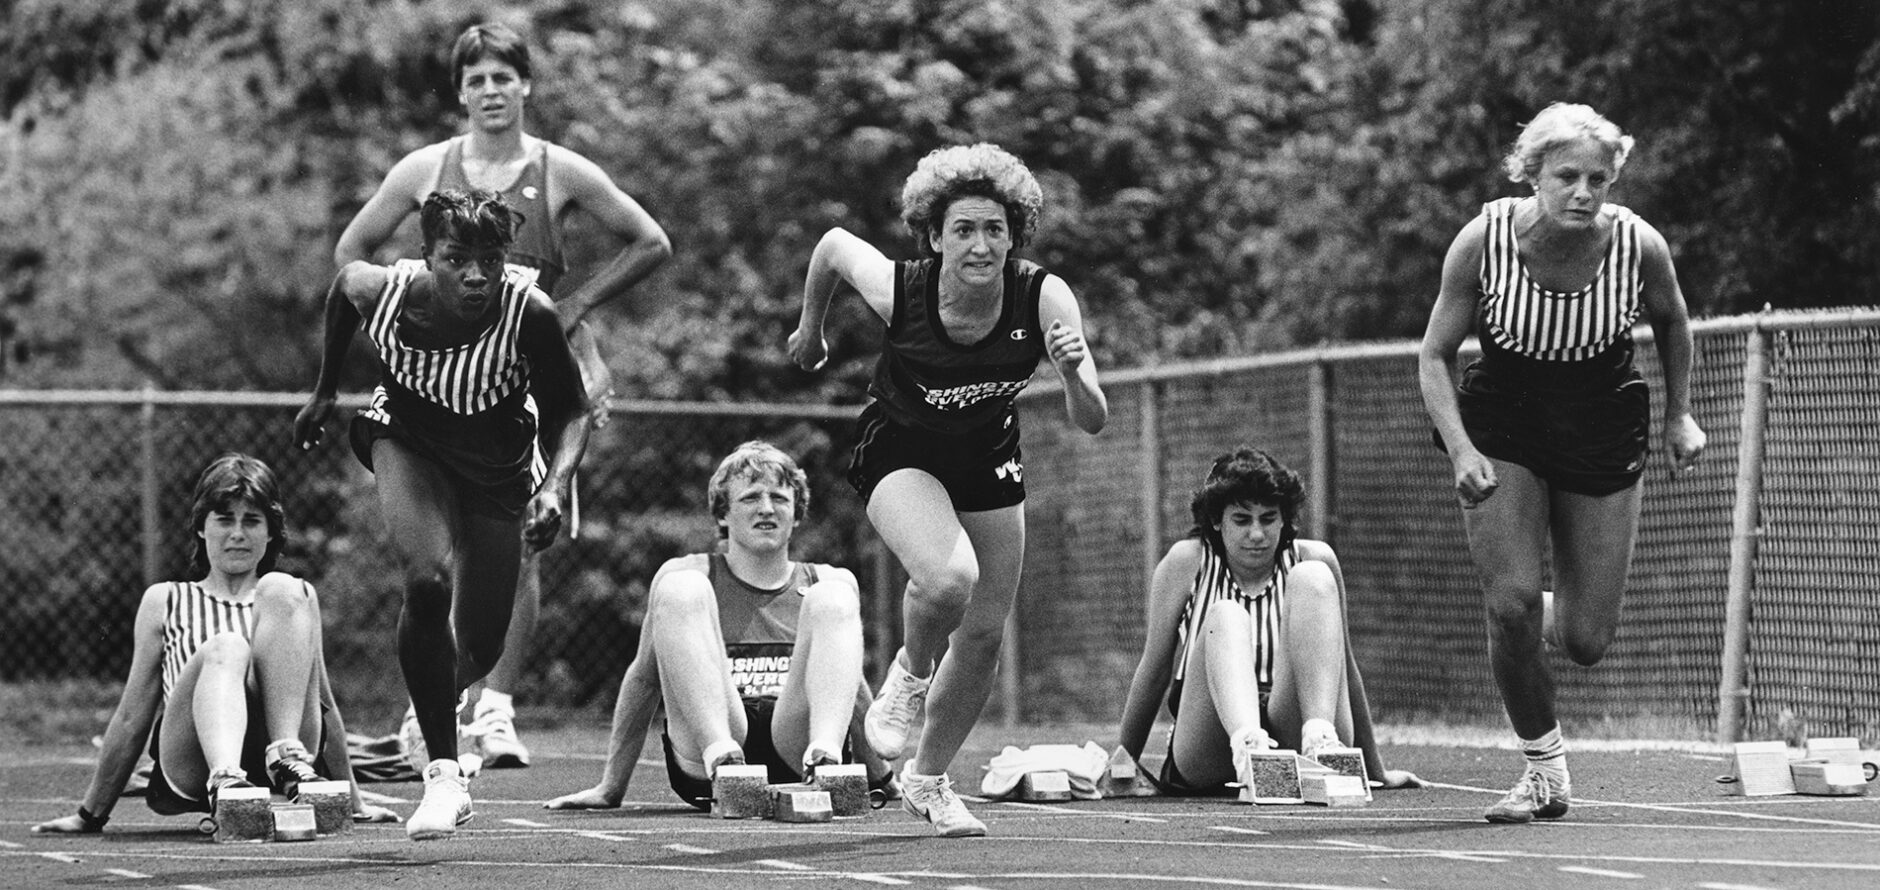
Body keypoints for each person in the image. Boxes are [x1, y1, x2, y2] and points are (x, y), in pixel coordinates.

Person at [334, 21, 672, 770]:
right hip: (441, 386)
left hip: (524, 379)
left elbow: (651, 240)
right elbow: (349, 255)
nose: (491, 90)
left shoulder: (559, 172)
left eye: (503, 77)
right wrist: (408, 299)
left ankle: (493, 706)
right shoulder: (426, 169)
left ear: (526, 86)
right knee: (434, 549)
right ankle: (439, 706)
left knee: (519, 540)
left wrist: (579, 315)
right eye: (476, 79)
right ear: (459, 92)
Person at [787, 143, 1109, 837]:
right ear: (934, 237)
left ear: (1013, 237)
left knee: (987, 630)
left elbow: (1093, 421)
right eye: (963, 229)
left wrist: (1077, 376)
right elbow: (835, 245)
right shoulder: (900, 288)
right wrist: (810, 328)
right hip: (900, 449)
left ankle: (928, 780)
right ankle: (908, 674)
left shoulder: (1043, 296)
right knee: (947, 580)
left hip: (986, 457)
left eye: (995, 229)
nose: (980, 244)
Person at [1417, 103, 1705, 823]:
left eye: (1598, 180)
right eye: (1567, 176)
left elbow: (1672, 320)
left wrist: (1679, 415)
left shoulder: (1639, 245)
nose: (1583, 192)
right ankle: (1543, 769)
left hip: (1600, 414)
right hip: (1505, 417)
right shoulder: (1483, 241)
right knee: (1511, 603)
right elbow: (1433, 355)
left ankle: (1533, 614)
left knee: (1585, 640)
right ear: (1533, 174)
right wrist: (1461, 448)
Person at [294, 189, 591, 840]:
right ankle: (444, 777)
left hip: (497, 461)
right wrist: (323, 391)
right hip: (409, 436)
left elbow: (571, 412)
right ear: (427, 256)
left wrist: (554, 488)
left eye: (489, 259)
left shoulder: (529, 313)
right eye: (457, 259)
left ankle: (432, 696)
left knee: (479, 648)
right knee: (427, 581)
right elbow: (344, 285)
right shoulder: (389, 293)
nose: (476, 275)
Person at [30, 453, 398, 836]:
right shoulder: (165, 600)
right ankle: (227, 781)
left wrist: (353, 803)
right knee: (228, 646)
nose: (237, 533)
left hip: (277, 745)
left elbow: (323, 703)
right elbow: (131, 715)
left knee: (286, 587)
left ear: (271, 532)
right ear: (201, 528)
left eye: (252, 521)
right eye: (224, 520)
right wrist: (90, 815)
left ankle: (286, 759)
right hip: (194, 759)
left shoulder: (292, 601)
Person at [542, 441, 896, 813]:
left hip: (797, 745)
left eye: (779, 498)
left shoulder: (825, 579)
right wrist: (610, 787)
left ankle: (827, 764)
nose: (766, 508)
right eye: (750, 498)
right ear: (723, 514)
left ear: (797, 513)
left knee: (835, 596)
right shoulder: (694, 573)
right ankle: (723, 759)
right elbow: (645, 680)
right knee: (680, 586)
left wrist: (883, 778)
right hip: (714, 742)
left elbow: (849, 685)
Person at [1117, 447, 1419, 796]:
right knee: (1226, 613)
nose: (1257, 535)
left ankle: (1321, 741)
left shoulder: (1311, 557)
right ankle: (1251, 751)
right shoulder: (1188, 561)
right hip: (1210, 737)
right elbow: (1154, 671)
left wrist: (1376, 769)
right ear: (1217, 521)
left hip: (1289, 718)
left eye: (1268, 518)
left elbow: (1344, 669)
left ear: (1284, 519)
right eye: (1242, 520)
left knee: (1314, 575)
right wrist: (1122, 762)